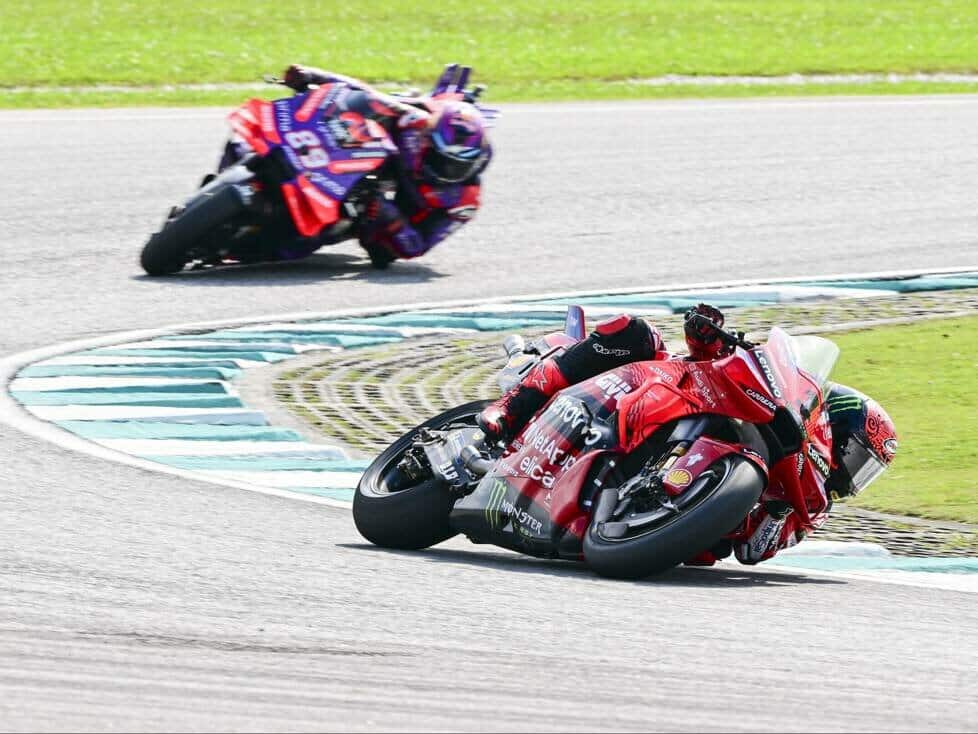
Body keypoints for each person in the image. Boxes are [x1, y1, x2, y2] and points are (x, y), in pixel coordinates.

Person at [477, 304, 898, 566]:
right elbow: (715, 357)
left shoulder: (809, 509)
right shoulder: (784, 407)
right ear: (832, 425)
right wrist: (708, 334)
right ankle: (512, 407)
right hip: (656, 387)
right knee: (635, 332)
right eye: (858, 458)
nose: (853, 475)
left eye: (866, 472)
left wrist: (776, 510)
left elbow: (754, 552)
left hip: (656, 540)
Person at [282, 63, 492, 267]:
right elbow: (367, 94)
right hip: (365, 164)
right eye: (441, 160)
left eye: (458, 166)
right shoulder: (417, 121)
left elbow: (416, 246)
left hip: (388, 217)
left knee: (378, 252)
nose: (448, 171)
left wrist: (389, 216)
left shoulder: (464, 201)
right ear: (427, 140)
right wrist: (312, 76)